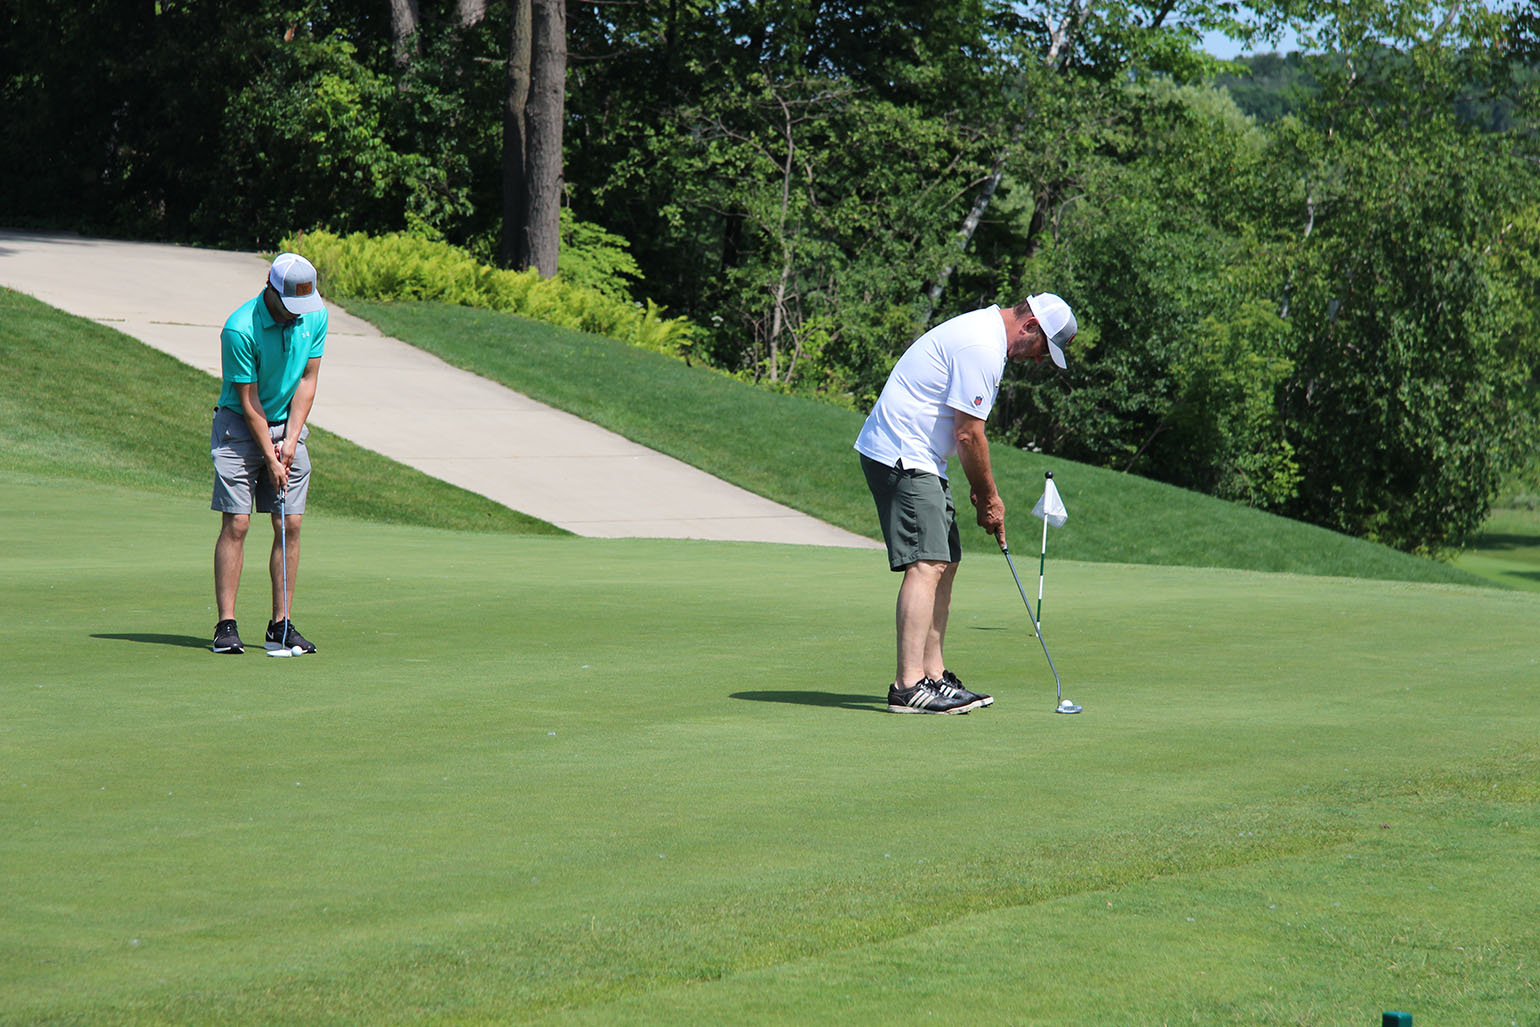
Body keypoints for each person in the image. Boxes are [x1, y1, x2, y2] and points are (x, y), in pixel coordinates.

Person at [854, 293, 1077, 713]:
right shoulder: (982, 347)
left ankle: (933, 677)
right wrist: (990, 497)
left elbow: (963, 434)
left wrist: (980, 487)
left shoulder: (984, 335)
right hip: (901, 453)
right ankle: (907, 685)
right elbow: (969, 434)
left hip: (921, 456)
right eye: (1043, 351)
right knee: (928, 562)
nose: (1037, 362)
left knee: (946, 559)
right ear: (1031, 327)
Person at [209, 253, 327, 655]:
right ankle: (226, 626)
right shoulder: (240, 329)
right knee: (238, 524)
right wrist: (272, 458)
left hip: (286, 425)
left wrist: (291, 442)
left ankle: (281, 624)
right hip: (240, 426)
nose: (297, 315)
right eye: (289, 305)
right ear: (270, 288)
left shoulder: (314, 315)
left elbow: (308, 380)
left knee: (289, 524)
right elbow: (249, 400)